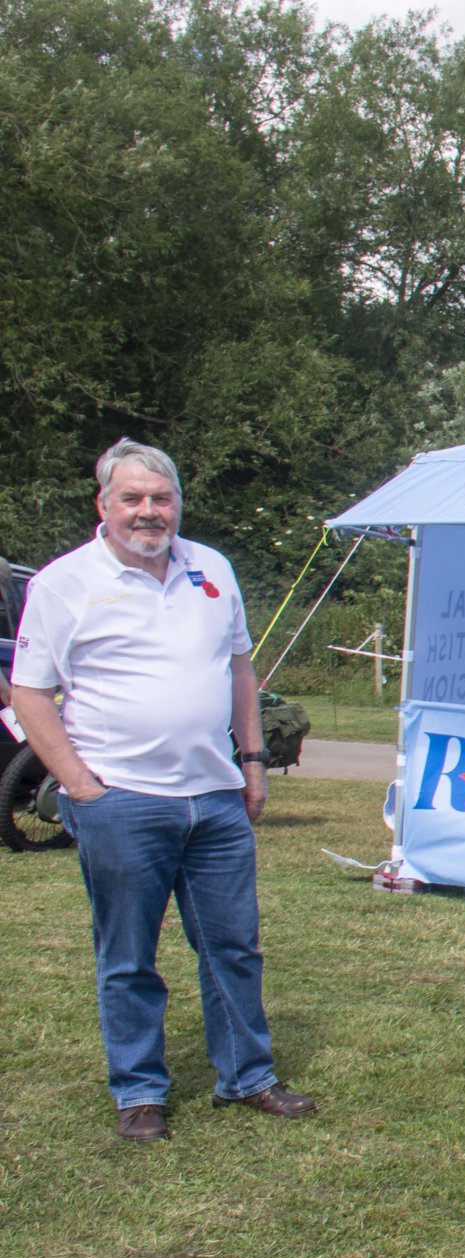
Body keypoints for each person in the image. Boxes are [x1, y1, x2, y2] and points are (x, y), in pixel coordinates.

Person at [9, 438, 316, 1143]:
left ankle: (247, 1075)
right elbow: (29, 691)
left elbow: (240, 667)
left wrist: (253, 760)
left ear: (177, 502)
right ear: (104, 505)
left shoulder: (212, 568)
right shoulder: (62, 582)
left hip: (214, 797)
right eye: (133, 498)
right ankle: (140, 1090)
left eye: (162, 497)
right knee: (129, 954)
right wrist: (79, 783)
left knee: (233, 944)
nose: (149, 511)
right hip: (121, 799)